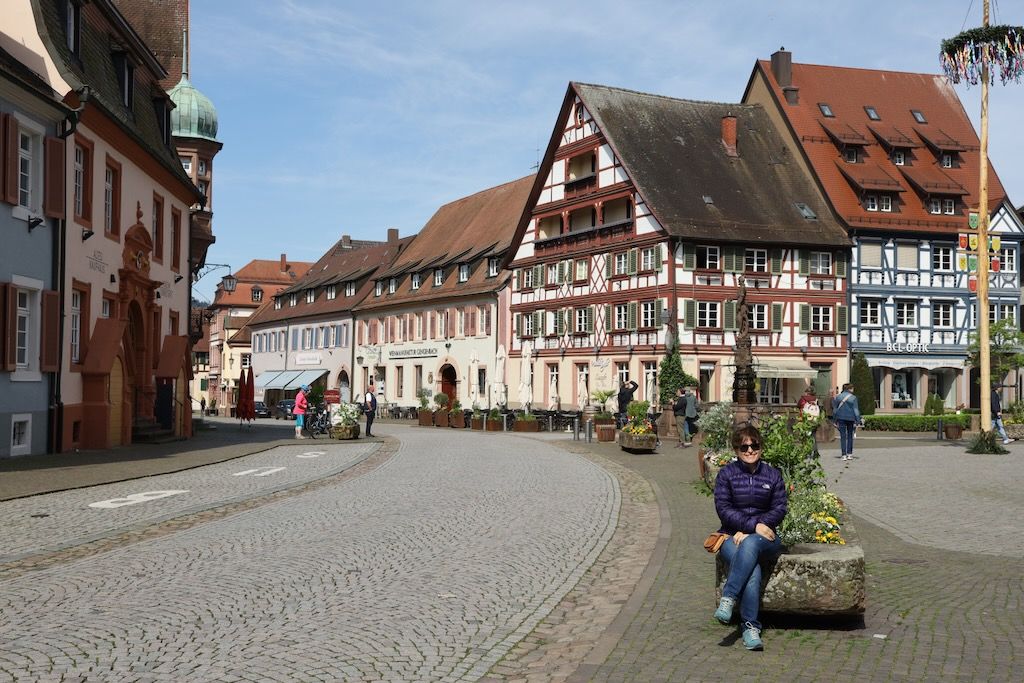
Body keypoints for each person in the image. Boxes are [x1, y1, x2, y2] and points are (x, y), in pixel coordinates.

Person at [713, 424, 787, 651]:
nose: (750, 450)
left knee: (752, 543)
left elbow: (780, 508)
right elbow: (723, 508)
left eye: (754, 445)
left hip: (765, 537)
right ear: (736, 450)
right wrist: (751, 526)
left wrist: (756, 529)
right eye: (744, 447)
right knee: (752, 569)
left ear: (761, 447)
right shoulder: (726, 475)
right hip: (730, 535)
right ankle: (750, 628)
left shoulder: (773, 475)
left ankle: (729, 596)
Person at [832, 383, 861, 461]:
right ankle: (849, 454)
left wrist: (834, 420)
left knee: (843, 436)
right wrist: (858, 420)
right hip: (851, 418)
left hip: (841, 418)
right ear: (849, 389)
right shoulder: (853, 398)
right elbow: (855, 410)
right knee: (850, 436)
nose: (853, 389)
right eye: (852, 388)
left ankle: (843, 455)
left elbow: (835, 410)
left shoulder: (838, 397)